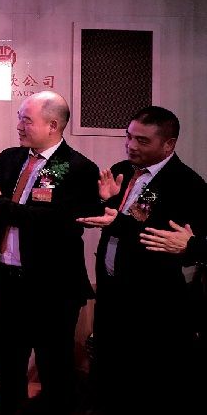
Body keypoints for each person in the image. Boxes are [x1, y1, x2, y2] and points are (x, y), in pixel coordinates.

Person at [0, 91, 99, 415]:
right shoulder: (11, 158)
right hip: (8, 284)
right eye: (19, 118)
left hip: (52, 289)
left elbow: (51, 222)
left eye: (27, 120)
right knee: (5, 368)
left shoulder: (79, 168)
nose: (19, 126)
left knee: (54, 370)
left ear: (53, 125)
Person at [74, 106, 204, 414]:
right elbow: (109, 216)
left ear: (168, 144)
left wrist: (116, 221)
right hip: (112, 294)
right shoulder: (123, 169)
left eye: (142, 140)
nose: (131, 146)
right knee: (108, 377)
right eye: (129, 137)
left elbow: (163, 237)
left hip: (153, 304)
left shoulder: (186, 183)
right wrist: (105, 199)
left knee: (146, 385)